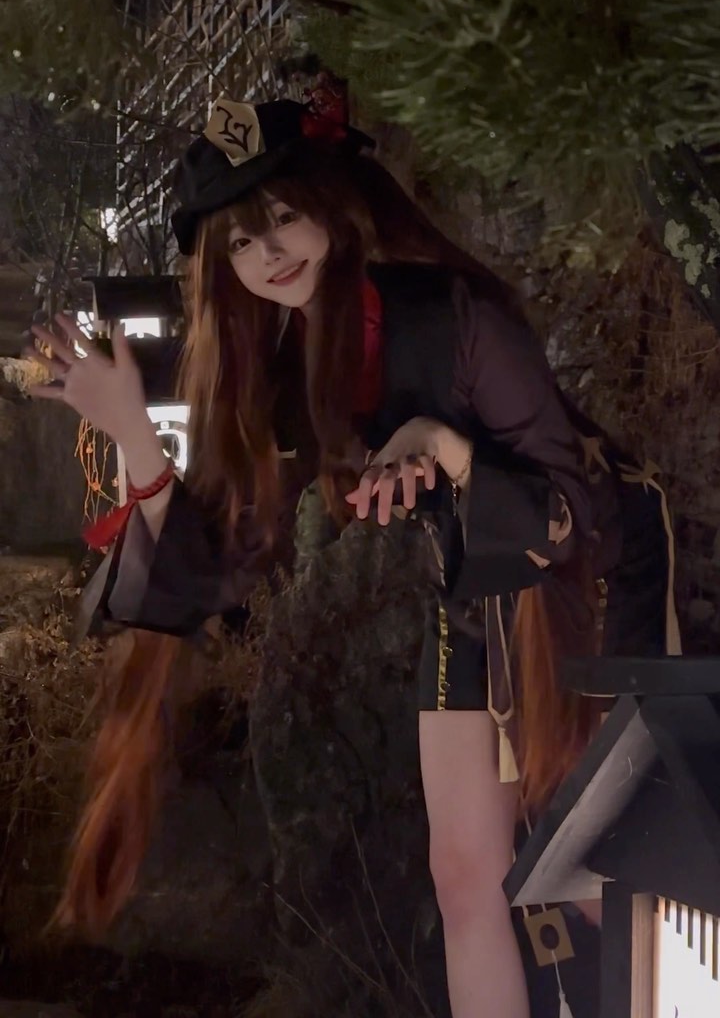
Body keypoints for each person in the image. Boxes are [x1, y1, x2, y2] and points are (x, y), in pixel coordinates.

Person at [27, 86, 681, 1018]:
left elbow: (567, 508)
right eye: (240, 243)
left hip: (591, 571)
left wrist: (444, 446)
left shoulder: (456, 315)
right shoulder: (282, 369)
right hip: (469, 584)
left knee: (595, 874)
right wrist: (132, 429)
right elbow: (217, 561)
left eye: (282, 217)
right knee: (465, 876)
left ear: (332, 205)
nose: (268, 255)